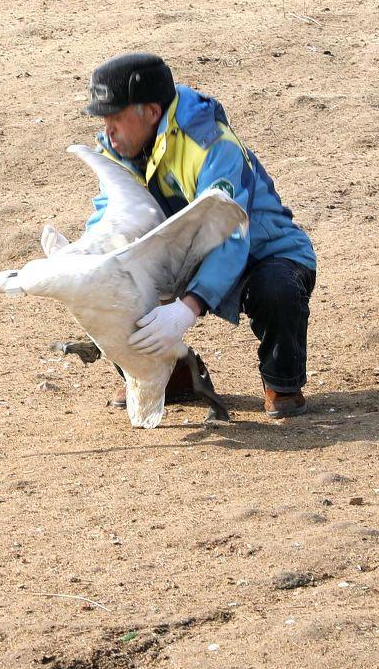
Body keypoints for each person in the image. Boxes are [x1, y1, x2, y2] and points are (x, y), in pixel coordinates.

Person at [84, 52, 318, 418]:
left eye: (116, 117)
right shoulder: (115, 150)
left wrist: (186, 310)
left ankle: (281, 382)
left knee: (277, 289)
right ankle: (171, 374)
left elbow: (230, 233)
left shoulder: (210, 143)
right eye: (104, 119)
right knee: (111, 281)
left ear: (151, 111)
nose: (107, 129)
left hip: (260, 251)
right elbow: (110, 218)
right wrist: (87, 267)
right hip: (185, 256)